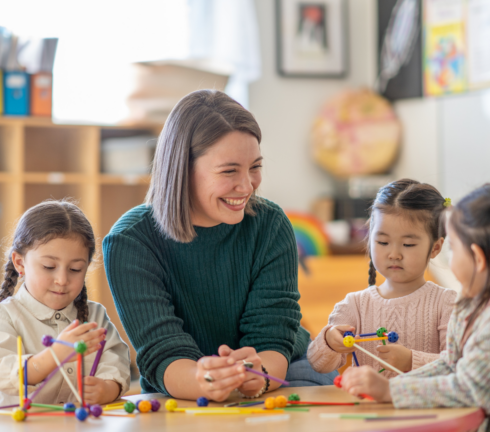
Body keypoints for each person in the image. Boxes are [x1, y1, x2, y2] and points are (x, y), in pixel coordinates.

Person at [102, 89, 336, 402]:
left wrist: (258, 376)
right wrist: (207, 381)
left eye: (255, 167)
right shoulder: (130, 241)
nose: (247, 185)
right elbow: (162, 353)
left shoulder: (270, 224)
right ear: (182, 169)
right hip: (184, 389)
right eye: (229, 171)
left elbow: (273, 339)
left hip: (289, 373)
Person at [338, 183, 490, 431]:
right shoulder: (471, 306)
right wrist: (391, 386)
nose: (448, 258)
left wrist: (391, 390)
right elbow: (451, 365)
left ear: (478, 258)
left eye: (453, 248)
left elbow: (473, 390)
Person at [0, 200, 130, 407]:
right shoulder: (4, 317)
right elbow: (3, 372)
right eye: (49, 266)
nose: (62, 279)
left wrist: (108, 388)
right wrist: (55, 354)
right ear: (20, 263)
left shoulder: (95, 317)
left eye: (75, 269)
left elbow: (117, 362)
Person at [308, 179, 456, 377]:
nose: (394, 254)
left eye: (408, 244)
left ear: (435, 248)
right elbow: (319, 365)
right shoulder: (354, 305)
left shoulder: (446, 303)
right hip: (368, 407)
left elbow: (458, 365)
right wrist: (329, 341)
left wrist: (411, 360)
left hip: (424, 406)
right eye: (383, 242)